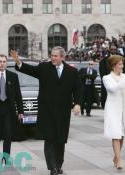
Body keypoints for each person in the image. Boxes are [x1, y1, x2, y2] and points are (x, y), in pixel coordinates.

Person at [10, 46, 81, 175]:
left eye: (55, 56)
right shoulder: (44, 68)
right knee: (49, 139)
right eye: (52, 55)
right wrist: (19, 62)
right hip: (47, 111)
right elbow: (30, 70)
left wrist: (77, 104)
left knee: (60, 140)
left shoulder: (72, 71)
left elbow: (77, 89)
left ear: (62, 57)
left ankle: (59, 165)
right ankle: (52, 167)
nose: (52, 58)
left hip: (63, 112)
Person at [103, 55, 125, 169]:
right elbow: (112, 89)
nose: (122, 66)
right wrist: (124, 81)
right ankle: (119, 160)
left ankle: (116, 157)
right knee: (115, 135)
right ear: (113, 66)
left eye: (122, 64)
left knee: (122, 135)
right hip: (113, 109)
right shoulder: (106, 78)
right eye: (119, 64)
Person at [0, 54, 23, 164]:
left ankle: (6, 157)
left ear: (6, 63)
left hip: (8, 110)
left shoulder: (13, 76)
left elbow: (18, 95)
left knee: (8, 134)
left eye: (4, 61)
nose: (2, 63)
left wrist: (20, 111)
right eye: (0, 61)